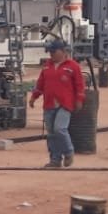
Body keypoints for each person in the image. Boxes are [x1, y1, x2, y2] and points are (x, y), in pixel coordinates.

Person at [28, 39, 86, 169]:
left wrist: (79, 100)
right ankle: (55, 159)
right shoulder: (46, 66)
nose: (51, 54)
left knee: (60, 129)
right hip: (49, 104)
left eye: (54, 51)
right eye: (50, 52)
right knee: (51, 134)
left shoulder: (73, 66)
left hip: (65, 104)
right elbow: (40, 84)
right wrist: (33, 97)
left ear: (63, 51)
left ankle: (69, 152)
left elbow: (79, 85)